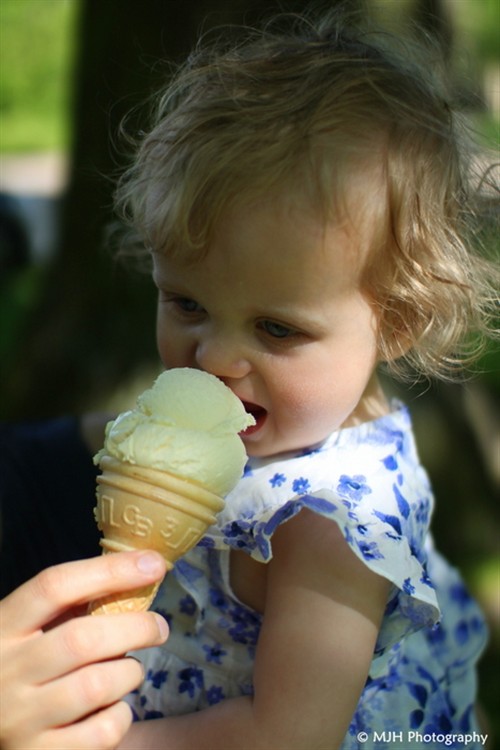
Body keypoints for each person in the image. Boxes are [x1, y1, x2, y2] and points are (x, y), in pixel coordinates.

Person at [1, 8, 498, 750]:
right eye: (189, 304)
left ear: (394, 323)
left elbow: (287, 735)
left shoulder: (327, 523)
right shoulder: (290, 422)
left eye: (276, 329)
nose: (214, 359)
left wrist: (108, 744)